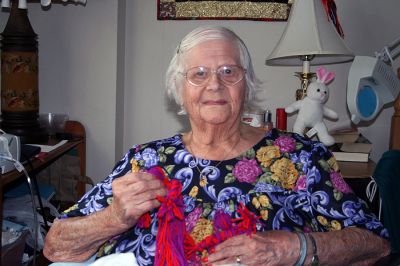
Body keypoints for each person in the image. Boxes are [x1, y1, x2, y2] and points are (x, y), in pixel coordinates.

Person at [44, 26, 390, 266]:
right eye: (198, 74)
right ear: (179, 90)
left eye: (228, 71)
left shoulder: (299, 157)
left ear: (247, 86)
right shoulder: (145, 160)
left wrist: (293, 249)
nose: (214, 85)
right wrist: (114, 217)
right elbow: (54, 246)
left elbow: (376, 244)